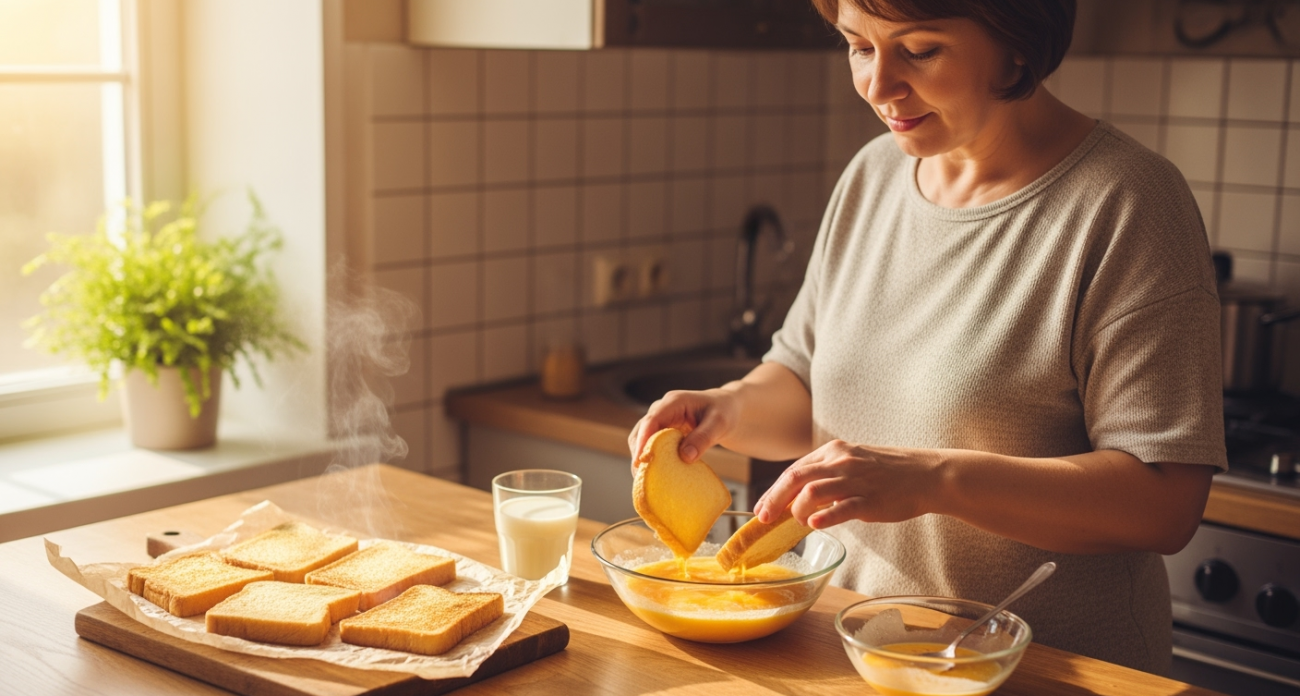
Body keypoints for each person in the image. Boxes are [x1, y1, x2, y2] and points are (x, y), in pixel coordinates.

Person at [628, 0, 1227, 675]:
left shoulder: (1127, 203)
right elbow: (803, 383)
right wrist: (727, 409)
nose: (878, 86)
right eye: (857, 45)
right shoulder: (872, 175)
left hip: (1049, 672)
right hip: (865, 653)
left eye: (919, 50)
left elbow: (1165, 503)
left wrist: (934, 479)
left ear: (1016, 43)